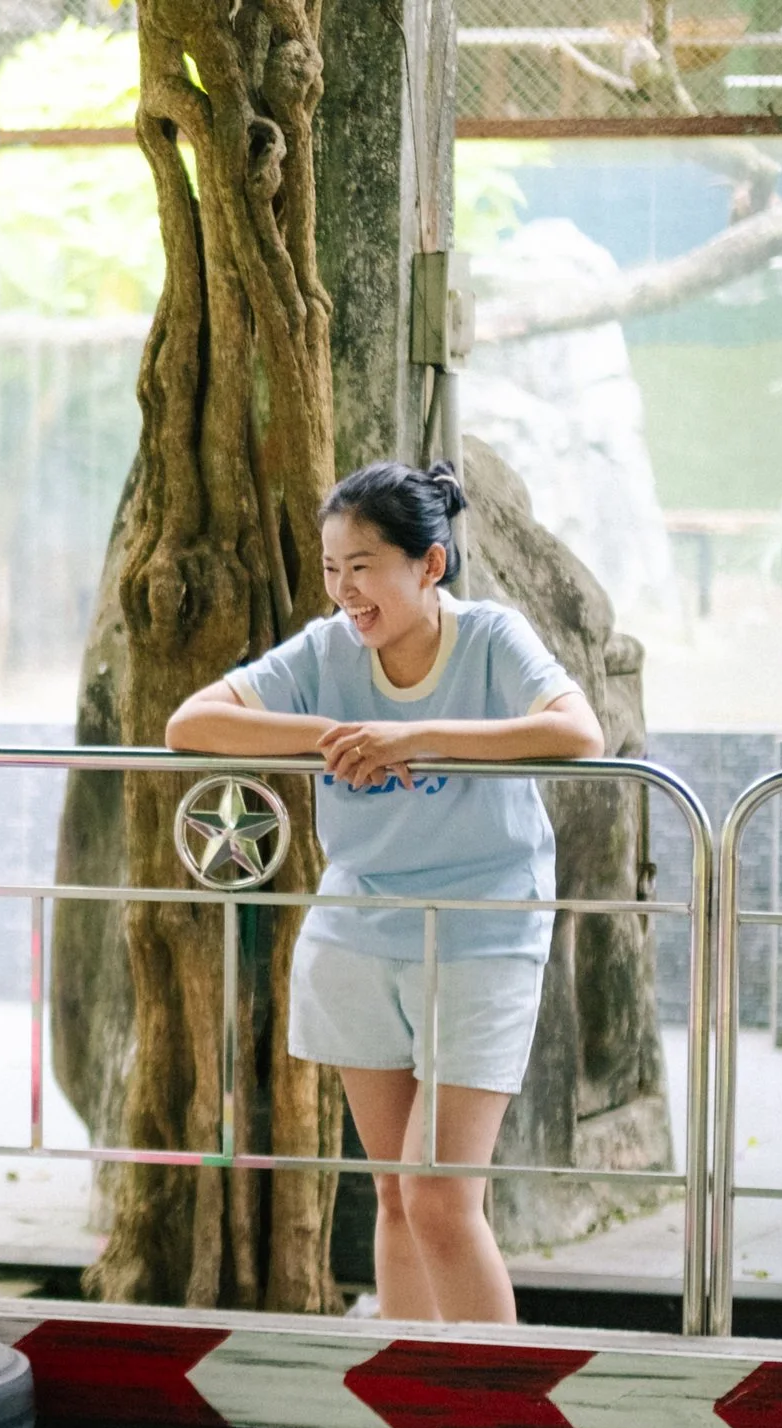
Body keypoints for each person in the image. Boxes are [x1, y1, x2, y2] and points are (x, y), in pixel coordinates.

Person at [165, 460, 606, 1325]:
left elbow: (577, 731)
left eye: (362, 567)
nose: (344, 591)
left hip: (482, 930)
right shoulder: (330, 647)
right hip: (359, 929)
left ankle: (496, 1413)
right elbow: (192, 723)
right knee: (398, 1199)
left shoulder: (490, 636)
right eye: (332, 569)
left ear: (428, 566)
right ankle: (412, 1399)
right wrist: (341, 736)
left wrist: (417, 737)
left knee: (440, 1197)